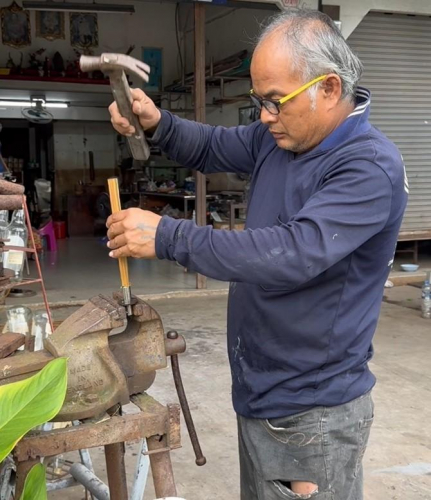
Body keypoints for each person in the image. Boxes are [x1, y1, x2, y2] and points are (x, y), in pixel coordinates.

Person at [107, 8, 408, 500]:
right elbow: (213, 145)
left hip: (313, 410)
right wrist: (157, 122)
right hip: (263, 388)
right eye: (258, 101)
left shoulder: (368, 166)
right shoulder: (283, 138)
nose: (264, 116)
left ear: (329, 89)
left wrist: (170, 236)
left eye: (275, 101)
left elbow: (291, 252)